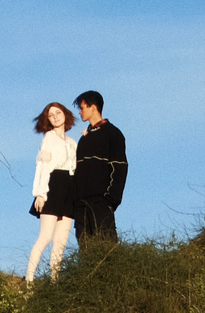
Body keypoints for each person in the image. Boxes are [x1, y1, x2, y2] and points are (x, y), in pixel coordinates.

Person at [24, 101, 80, 283]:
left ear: (65, 114)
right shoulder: (49, 137)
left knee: (61, 243)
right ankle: (29, 280)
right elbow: (43, 165)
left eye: (58, 112)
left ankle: (54, 283)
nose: (55, 116)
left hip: (69, 188)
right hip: (53, 186)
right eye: (51, 115)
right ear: (47, 120)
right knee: (46, 237)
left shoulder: (73, 142)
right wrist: (40, 193)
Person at [72, 90, 128, 241]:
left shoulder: (113, 133)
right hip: (81, 206)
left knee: (106, 247)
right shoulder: (84, 139)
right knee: (85, 251)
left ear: (93, 107)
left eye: (82, 107)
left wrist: (111, 200)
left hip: (101, 203)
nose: (80, 111)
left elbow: (119, 168)